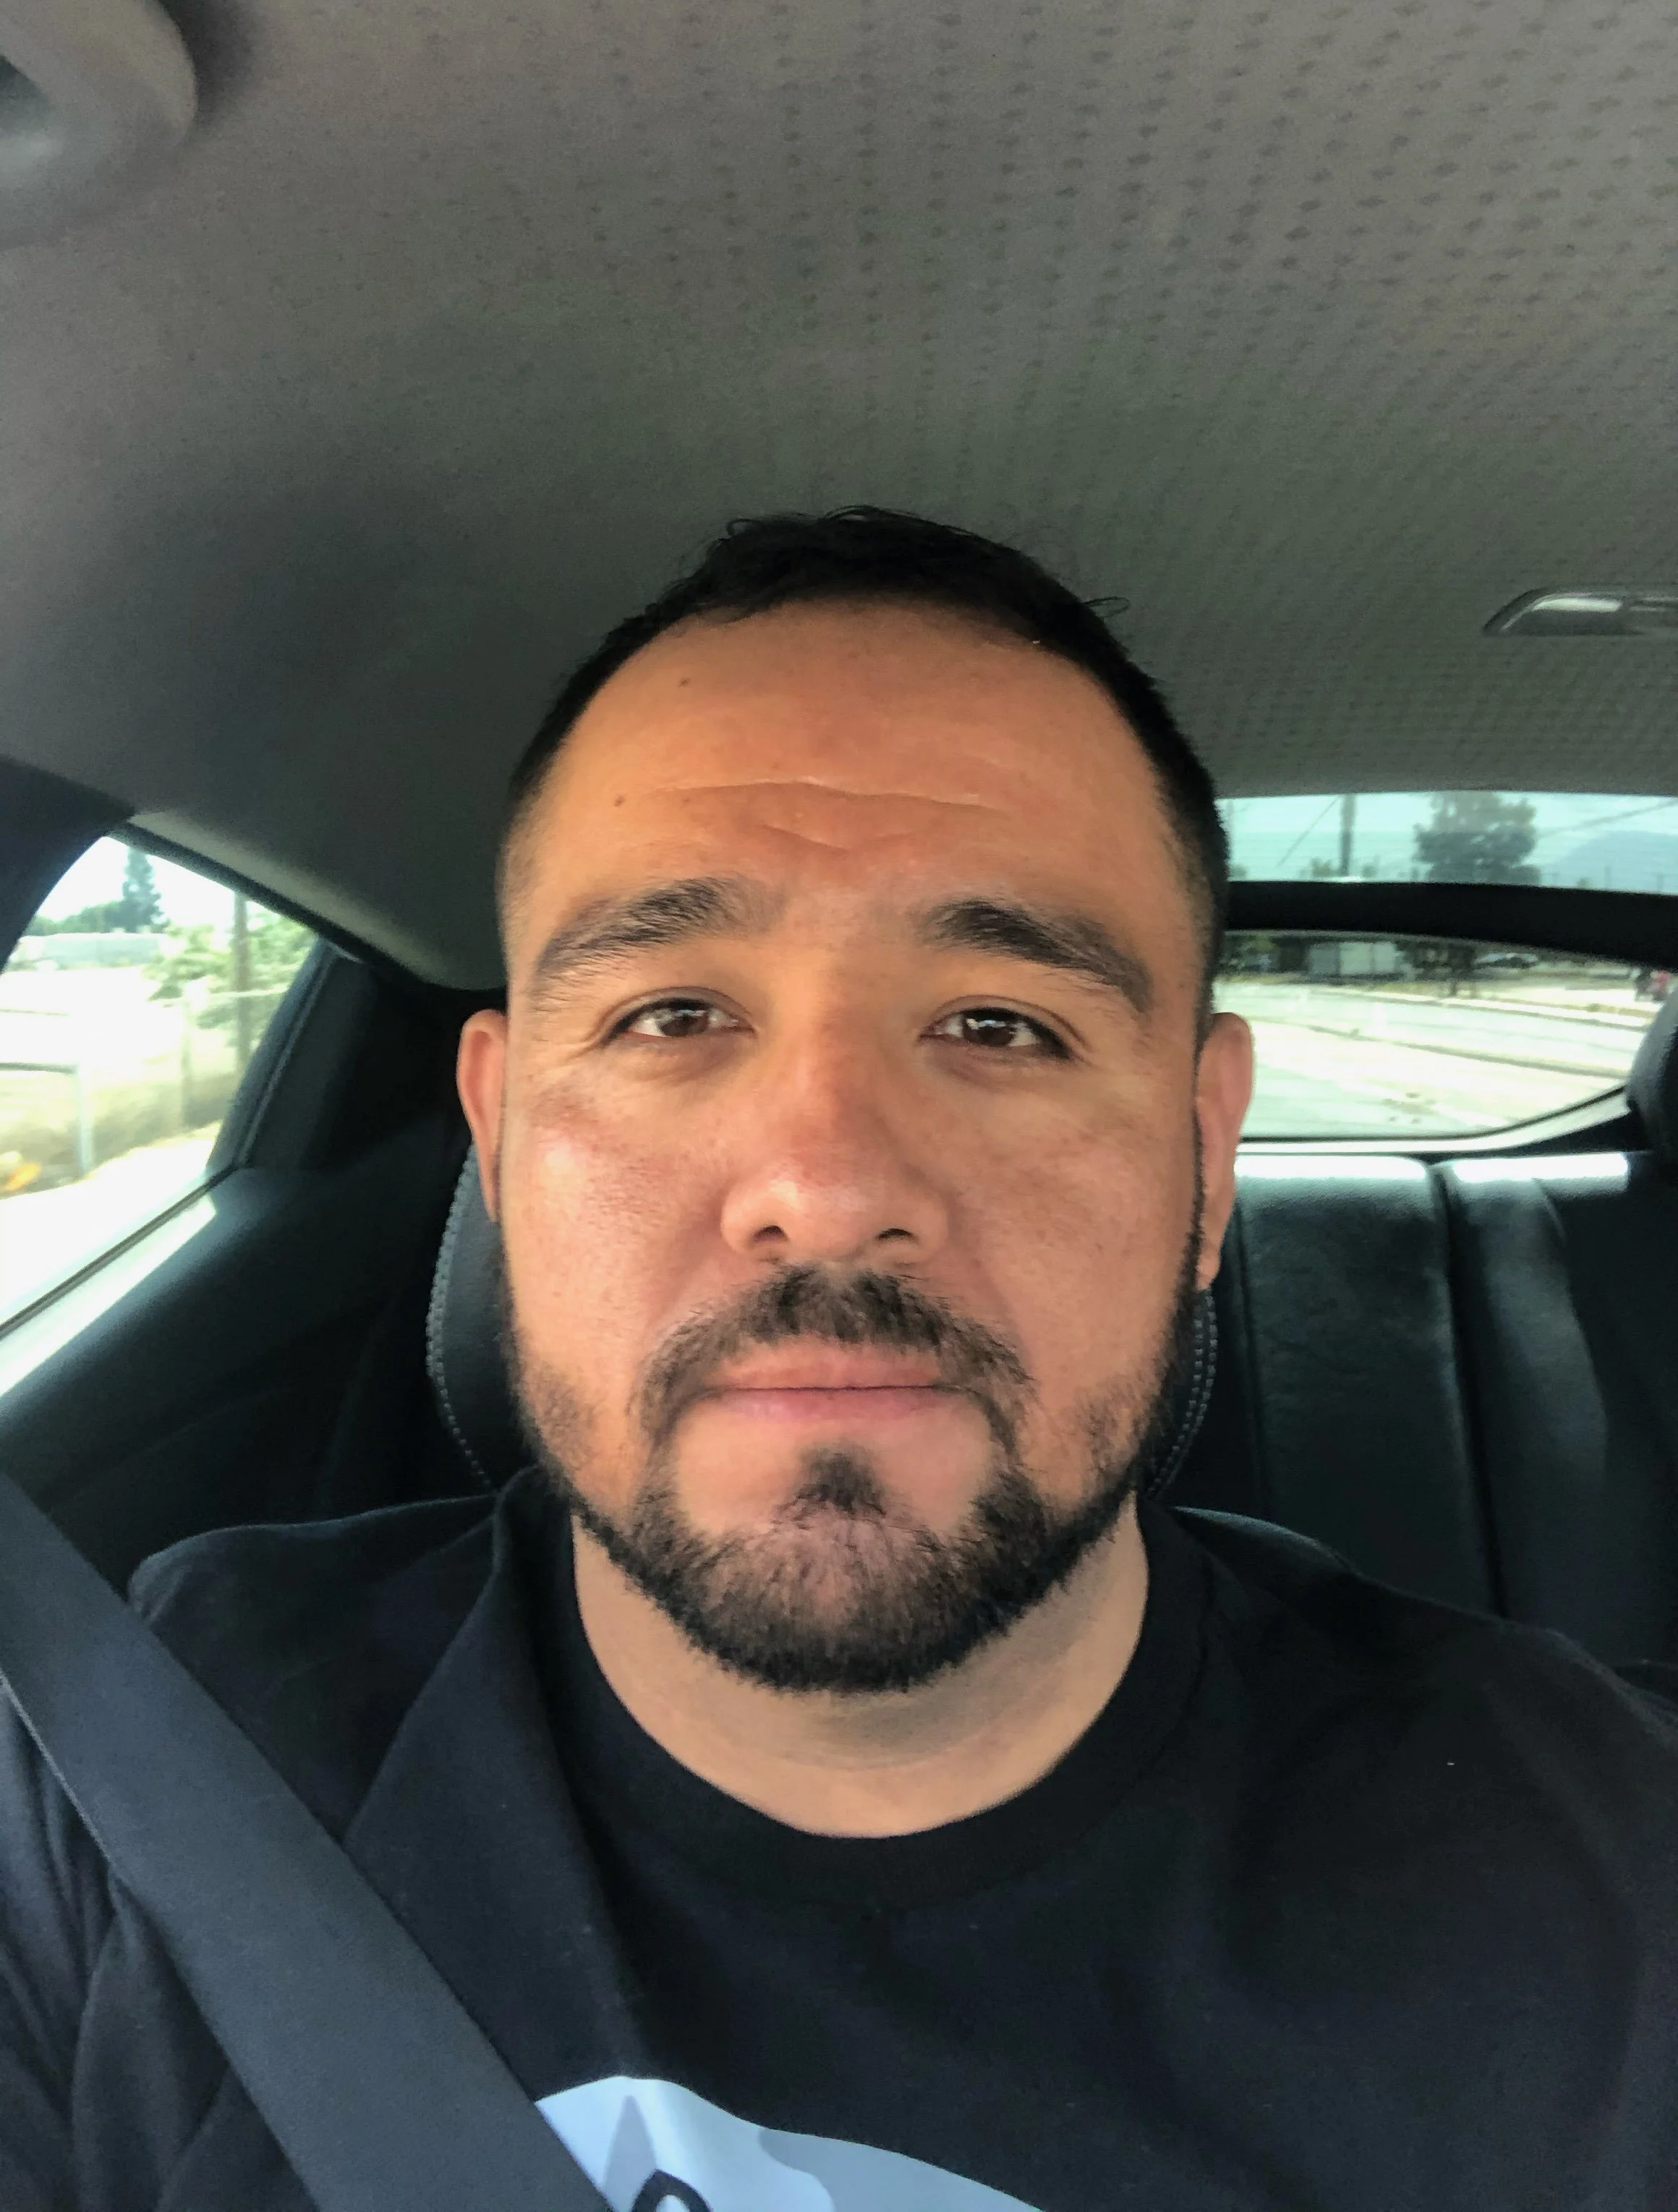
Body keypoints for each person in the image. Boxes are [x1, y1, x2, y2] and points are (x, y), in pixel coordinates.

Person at [3, 509, 1676, 2211]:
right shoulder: (128, 1779)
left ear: (1200, 1151)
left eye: (999, 1024)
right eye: (671, 1015)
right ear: (499, 1141)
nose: (825, 1185)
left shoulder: (1603, 1877)